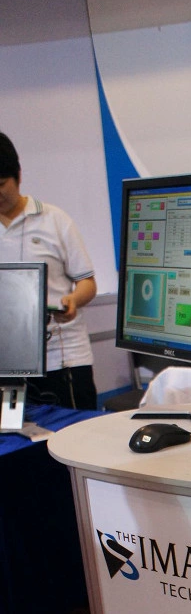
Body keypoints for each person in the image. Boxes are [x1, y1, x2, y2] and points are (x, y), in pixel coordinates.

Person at [0, 132, 98, 409]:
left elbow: (87, 283)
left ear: (18, 175)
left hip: (62, 358)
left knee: (75, 431)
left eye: (1, 184)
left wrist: (73, 300)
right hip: (7, 362)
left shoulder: (53, 220)